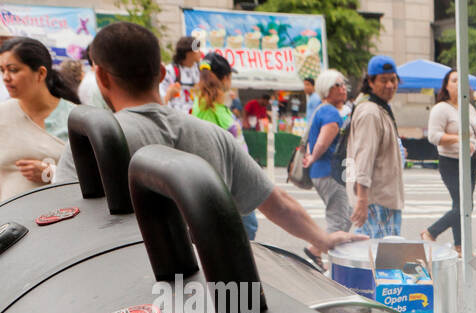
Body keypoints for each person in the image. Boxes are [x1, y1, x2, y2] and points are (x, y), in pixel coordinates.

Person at [52, 22, 358, 259]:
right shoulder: (214, 135)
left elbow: (63, 224)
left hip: (130, 304)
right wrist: (323, 239)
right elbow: (277, 203)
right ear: (161, 73)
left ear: (102, 78)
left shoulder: (91, 142)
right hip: (213, 292)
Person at [0, 36, 79, 202]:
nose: (6, 77)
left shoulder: (75, 118)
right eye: (2, 70)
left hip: (65, 214)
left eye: (13, 70)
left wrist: (51, 172)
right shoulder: (3, 113)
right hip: (10, 221)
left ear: (41, 73)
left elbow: (94, 175)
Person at [190, 53, 258, 240]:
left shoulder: (205, 104)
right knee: (246, 229)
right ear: (225, 78)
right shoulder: (210, 108)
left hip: (226, 180)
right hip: (229, 182)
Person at [422, 69, 476, 254]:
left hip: (471, 161)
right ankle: (431, 232)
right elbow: (433, 136)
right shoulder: (441, 108)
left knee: (460, 205)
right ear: (446, 86)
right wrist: (460, 139)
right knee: (465, 205)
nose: (458, 84)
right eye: (454, 80)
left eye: (462, 81)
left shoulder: (469, 108)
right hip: (451, 161)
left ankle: (460, 245)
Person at [346, 55, 405, 238]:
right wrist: (362, 200)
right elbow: (364, 157)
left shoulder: (380, 108)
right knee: (377, 259)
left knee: (382, 258)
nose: (390, 85)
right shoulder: (370, 112)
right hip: (376, 202)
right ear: (370, 82)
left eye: (393, 80)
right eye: (383, 80)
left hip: (385, 200)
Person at [301, 69, 351, 235]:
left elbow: (312, 139)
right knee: (339, 221)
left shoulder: (321, 109)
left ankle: (316, 250)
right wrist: (313, 157)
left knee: (345, 215)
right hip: (330, 172)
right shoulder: (330, 113)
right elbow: (323, 142)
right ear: (326, 88)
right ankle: (323, 254)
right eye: (337, 85)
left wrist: (310, 156)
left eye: (343, 84)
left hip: (322, 173)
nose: (343, 88)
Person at [161, 36, 200, 113]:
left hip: (196, 117)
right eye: (197, 49)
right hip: (176, 118)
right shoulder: (170, 71)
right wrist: (169, 94)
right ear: (188, 52)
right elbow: (161, 101)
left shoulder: (200, 70)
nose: (200, 52)